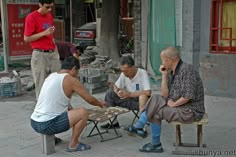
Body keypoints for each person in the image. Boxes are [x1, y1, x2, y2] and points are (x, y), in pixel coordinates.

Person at [126, 46, 205, 153]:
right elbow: (164, 95)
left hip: (191, 111)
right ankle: (142, 127)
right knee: (156, 97)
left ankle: (152, 139)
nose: (162, 63)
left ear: (169, 60)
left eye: (162, 60)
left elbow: (188, 96)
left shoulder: (187, 69)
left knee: (155, 112)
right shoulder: (172, 72)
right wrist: (164, 76)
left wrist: (174, 104)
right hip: (180, 107)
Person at [30, 56, 106, 152]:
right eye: (77, 71)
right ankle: (73, 144)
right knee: (83, 113)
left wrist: (73, 114)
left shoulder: (51, 76)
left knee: (68, 110)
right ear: (74, 69)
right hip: (47, 124)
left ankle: (53, 138)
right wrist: (100, 103)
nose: (77, 74)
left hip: (34, 122)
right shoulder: (70, 79)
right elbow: (89, 99)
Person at [101, 55, 151, 129]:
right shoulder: (123, 74)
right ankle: (113, 122)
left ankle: (141, 124)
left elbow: (148, 92)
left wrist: (130, 94)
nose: (125, 73)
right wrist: (118, 92)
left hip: (139, 102)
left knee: (143, 97)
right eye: (123, 71)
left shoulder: (142, 73)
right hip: (127, 99)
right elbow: (116, 86)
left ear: (133, 67)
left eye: (127, 71)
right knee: (110, 93)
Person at [24, 0, 61, 100]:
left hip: (52, 52)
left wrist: (54, 46)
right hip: (40, 53)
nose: (49, 9)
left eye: (51, 7)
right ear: (40, 4)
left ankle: (58, 105)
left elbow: (50, 34)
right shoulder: (31, 17)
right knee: (41, 84)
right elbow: (27, 38)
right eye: (47, 7)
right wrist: (43, 33)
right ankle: (42, 109)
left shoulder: (49, 16)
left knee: (57, 81)